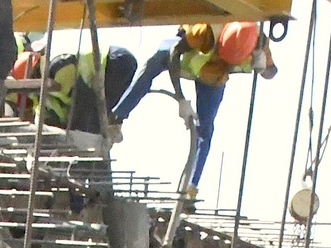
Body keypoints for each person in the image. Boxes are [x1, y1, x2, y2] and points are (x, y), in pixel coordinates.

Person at [112, 23, 273, 207]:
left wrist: (262, 67)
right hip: (189, 58)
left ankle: (191, 188)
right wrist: (180, 97)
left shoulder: (259, 42)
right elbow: (174, 51)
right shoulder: (207, 30)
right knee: (153, 64)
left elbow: (272, 71)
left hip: (214, 75)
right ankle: (116, 118)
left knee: (205, 130)